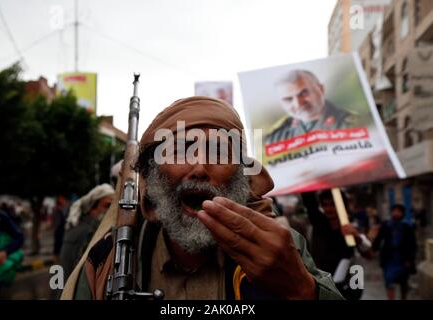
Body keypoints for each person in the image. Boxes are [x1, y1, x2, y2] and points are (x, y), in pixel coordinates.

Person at [62, 96, 343, 300]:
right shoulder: (110, 257)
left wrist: (303, 291)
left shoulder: (277, 245)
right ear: (151, 174)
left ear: (242, 175)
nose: (199, 168)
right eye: (181, 150)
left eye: (219, 152)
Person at [301, 190, 372, 300]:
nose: (329, 209)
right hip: (321, 282)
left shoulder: (350, 225)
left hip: (346, 285)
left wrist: (356, 237)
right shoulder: (319, 222)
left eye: (333, 204)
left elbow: (368, 254)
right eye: (325, 205)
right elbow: (309, 201)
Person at [265, 70, 357, 144]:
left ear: (321, 89)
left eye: (304, 93)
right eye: (288, 99)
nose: (298, 104)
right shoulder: (277, 137)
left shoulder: (351, 124)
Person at [59, 184, 114, 281]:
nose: (111, 211)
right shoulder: (85, 232)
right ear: (92, 208)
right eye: (107, 206)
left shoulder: (95, 230)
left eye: (113, 206)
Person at [372, 204, 417, 300]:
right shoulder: (386, 225)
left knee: (403, 283)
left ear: (402, 214)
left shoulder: (407, 227)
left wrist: (410, 259)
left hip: (403, 259)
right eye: (394, 211)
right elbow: (379, 239)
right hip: (389, 259)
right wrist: (373, 250)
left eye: (398, 211)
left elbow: (412, 245)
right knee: (389, 281)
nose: (396, 213)